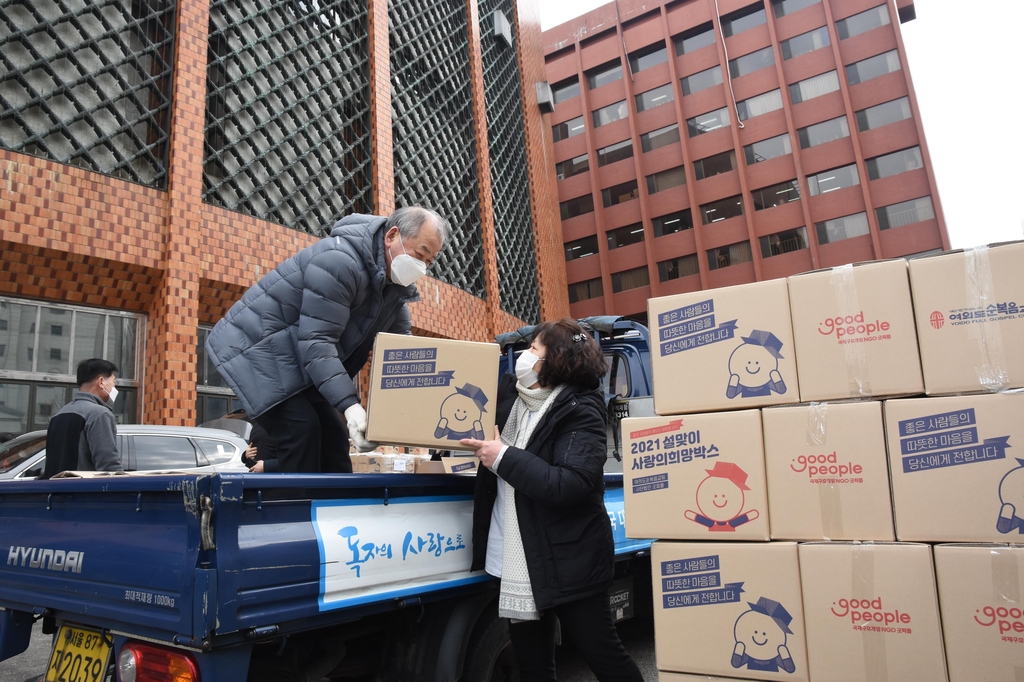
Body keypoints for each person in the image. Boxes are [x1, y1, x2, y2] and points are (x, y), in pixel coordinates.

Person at [462, 319, 645, 682]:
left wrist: (502, 456)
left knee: (605, 658)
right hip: (517, 558)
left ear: (556, 360)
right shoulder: (514, 399)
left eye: (534, 350)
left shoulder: (581, 411)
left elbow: (570, 483)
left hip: (569, 559)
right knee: (533, 667)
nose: (525, 357)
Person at [205, 207, 449, 474]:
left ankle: (335, 510)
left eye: (430, 260)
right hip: (254, 350)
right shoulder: (339, 261)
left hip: (296, 362)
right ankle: (295, 510)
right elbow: (317, 342)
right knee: (301, 430)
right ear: (392, 236)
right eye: (421, 253)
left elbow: (402, 348)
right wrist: (350, 405)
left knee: (334, 435)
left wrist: (426, 403)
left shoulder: (394, 290)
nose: (422, 266)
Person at [41, 358, 122, 479]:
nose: (114, 388)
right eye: (113, 382)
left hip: (56, 492)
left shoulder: (58, 415)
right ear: (101, 382)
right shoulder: (99, 414)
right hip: (84, 493)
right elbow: (109, 466)